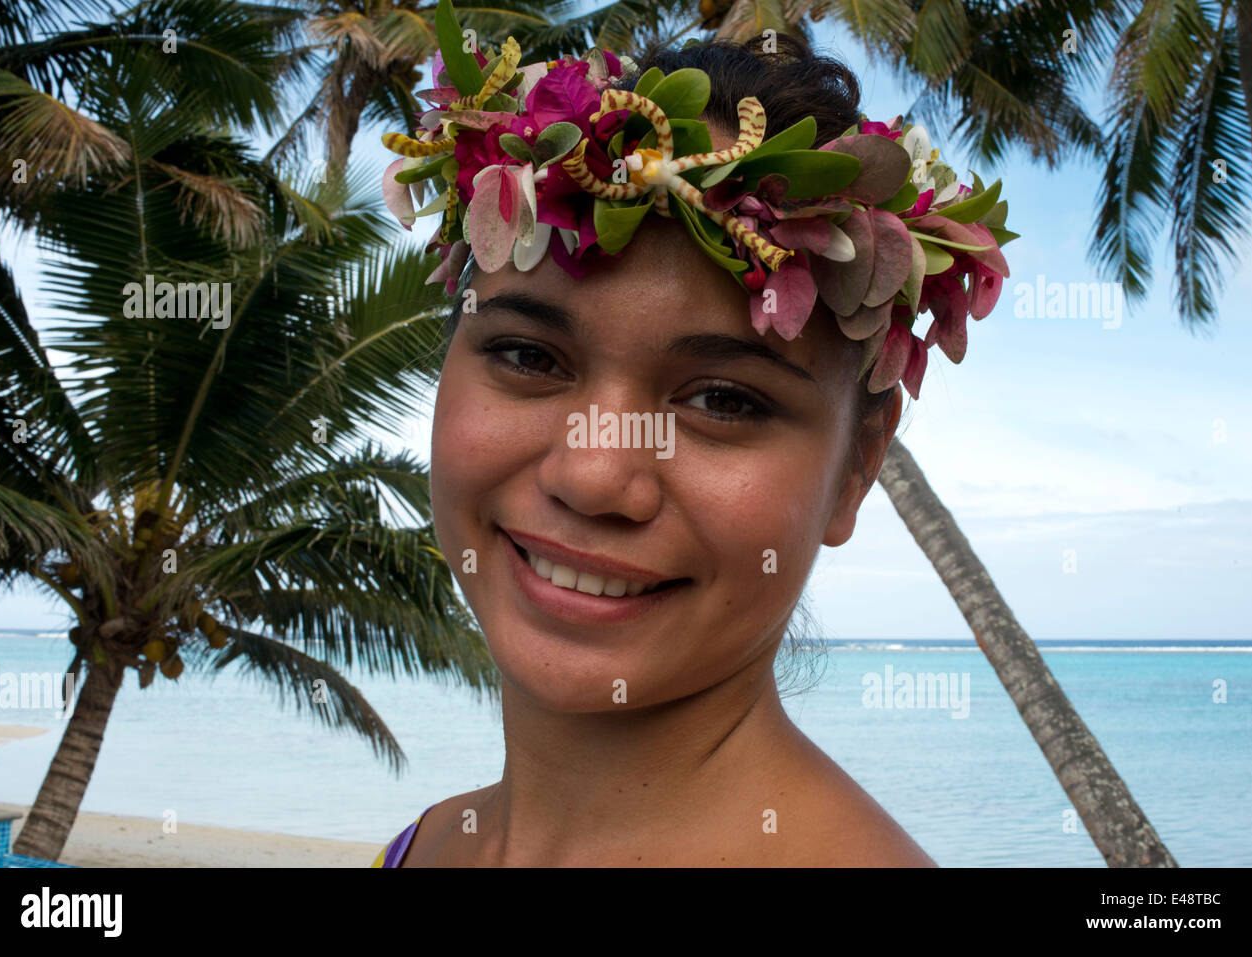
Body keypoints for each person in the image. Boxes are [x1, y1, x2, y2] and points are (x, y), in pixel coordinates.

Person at [371, 28, 1012, 867]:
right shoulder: (424, 847)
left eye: (722, 400)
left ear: (858, 467)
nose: (594, 474)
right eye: (529, 356)